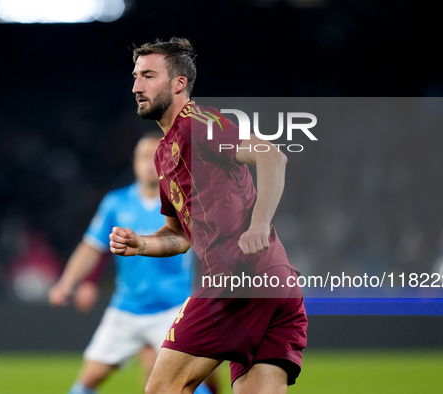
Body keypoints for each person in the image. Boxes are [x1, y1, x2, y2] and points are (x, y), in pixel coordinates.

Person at [109, 38, 308, 393]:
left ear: (178, 84)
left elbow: (271, 155)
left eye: (149, 76)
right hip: (275, 282)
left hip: (238, 278)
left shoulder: (198, 122)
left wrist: (261, 221)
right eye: (136, 76)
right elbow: (179, 236)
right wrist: (141, 243)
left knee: (162, 388)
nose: (136, 86)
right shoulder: (163, 155)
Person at [49, 132, 214, 394]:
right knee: (90, 377)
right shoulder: (116, 202)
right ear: (134, 162)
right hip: (127, 309)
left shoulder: (184, 202)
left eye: (156, 157)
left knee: (186, 382)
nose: (150, 164)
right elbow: (91, 247)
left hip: (173, 311)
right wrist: (66, 284)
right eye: (143, 157)